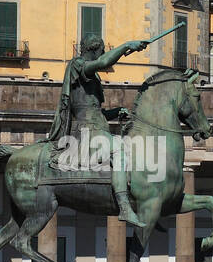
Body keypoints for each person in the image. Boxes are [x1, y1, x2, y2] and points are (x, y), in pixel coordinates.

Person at [44, 32, 151, 226]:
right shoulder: (77, 65)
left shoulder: (92, 77)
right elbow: (102, 63)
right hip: (87, 132)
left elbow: (95, 112)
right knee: (119, 149)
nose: (103, 53)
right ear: (94, 49)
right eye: (101, 50)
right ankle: (124, 206)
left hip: (98, 128)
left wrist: (115, 112)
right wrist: (127, 44)